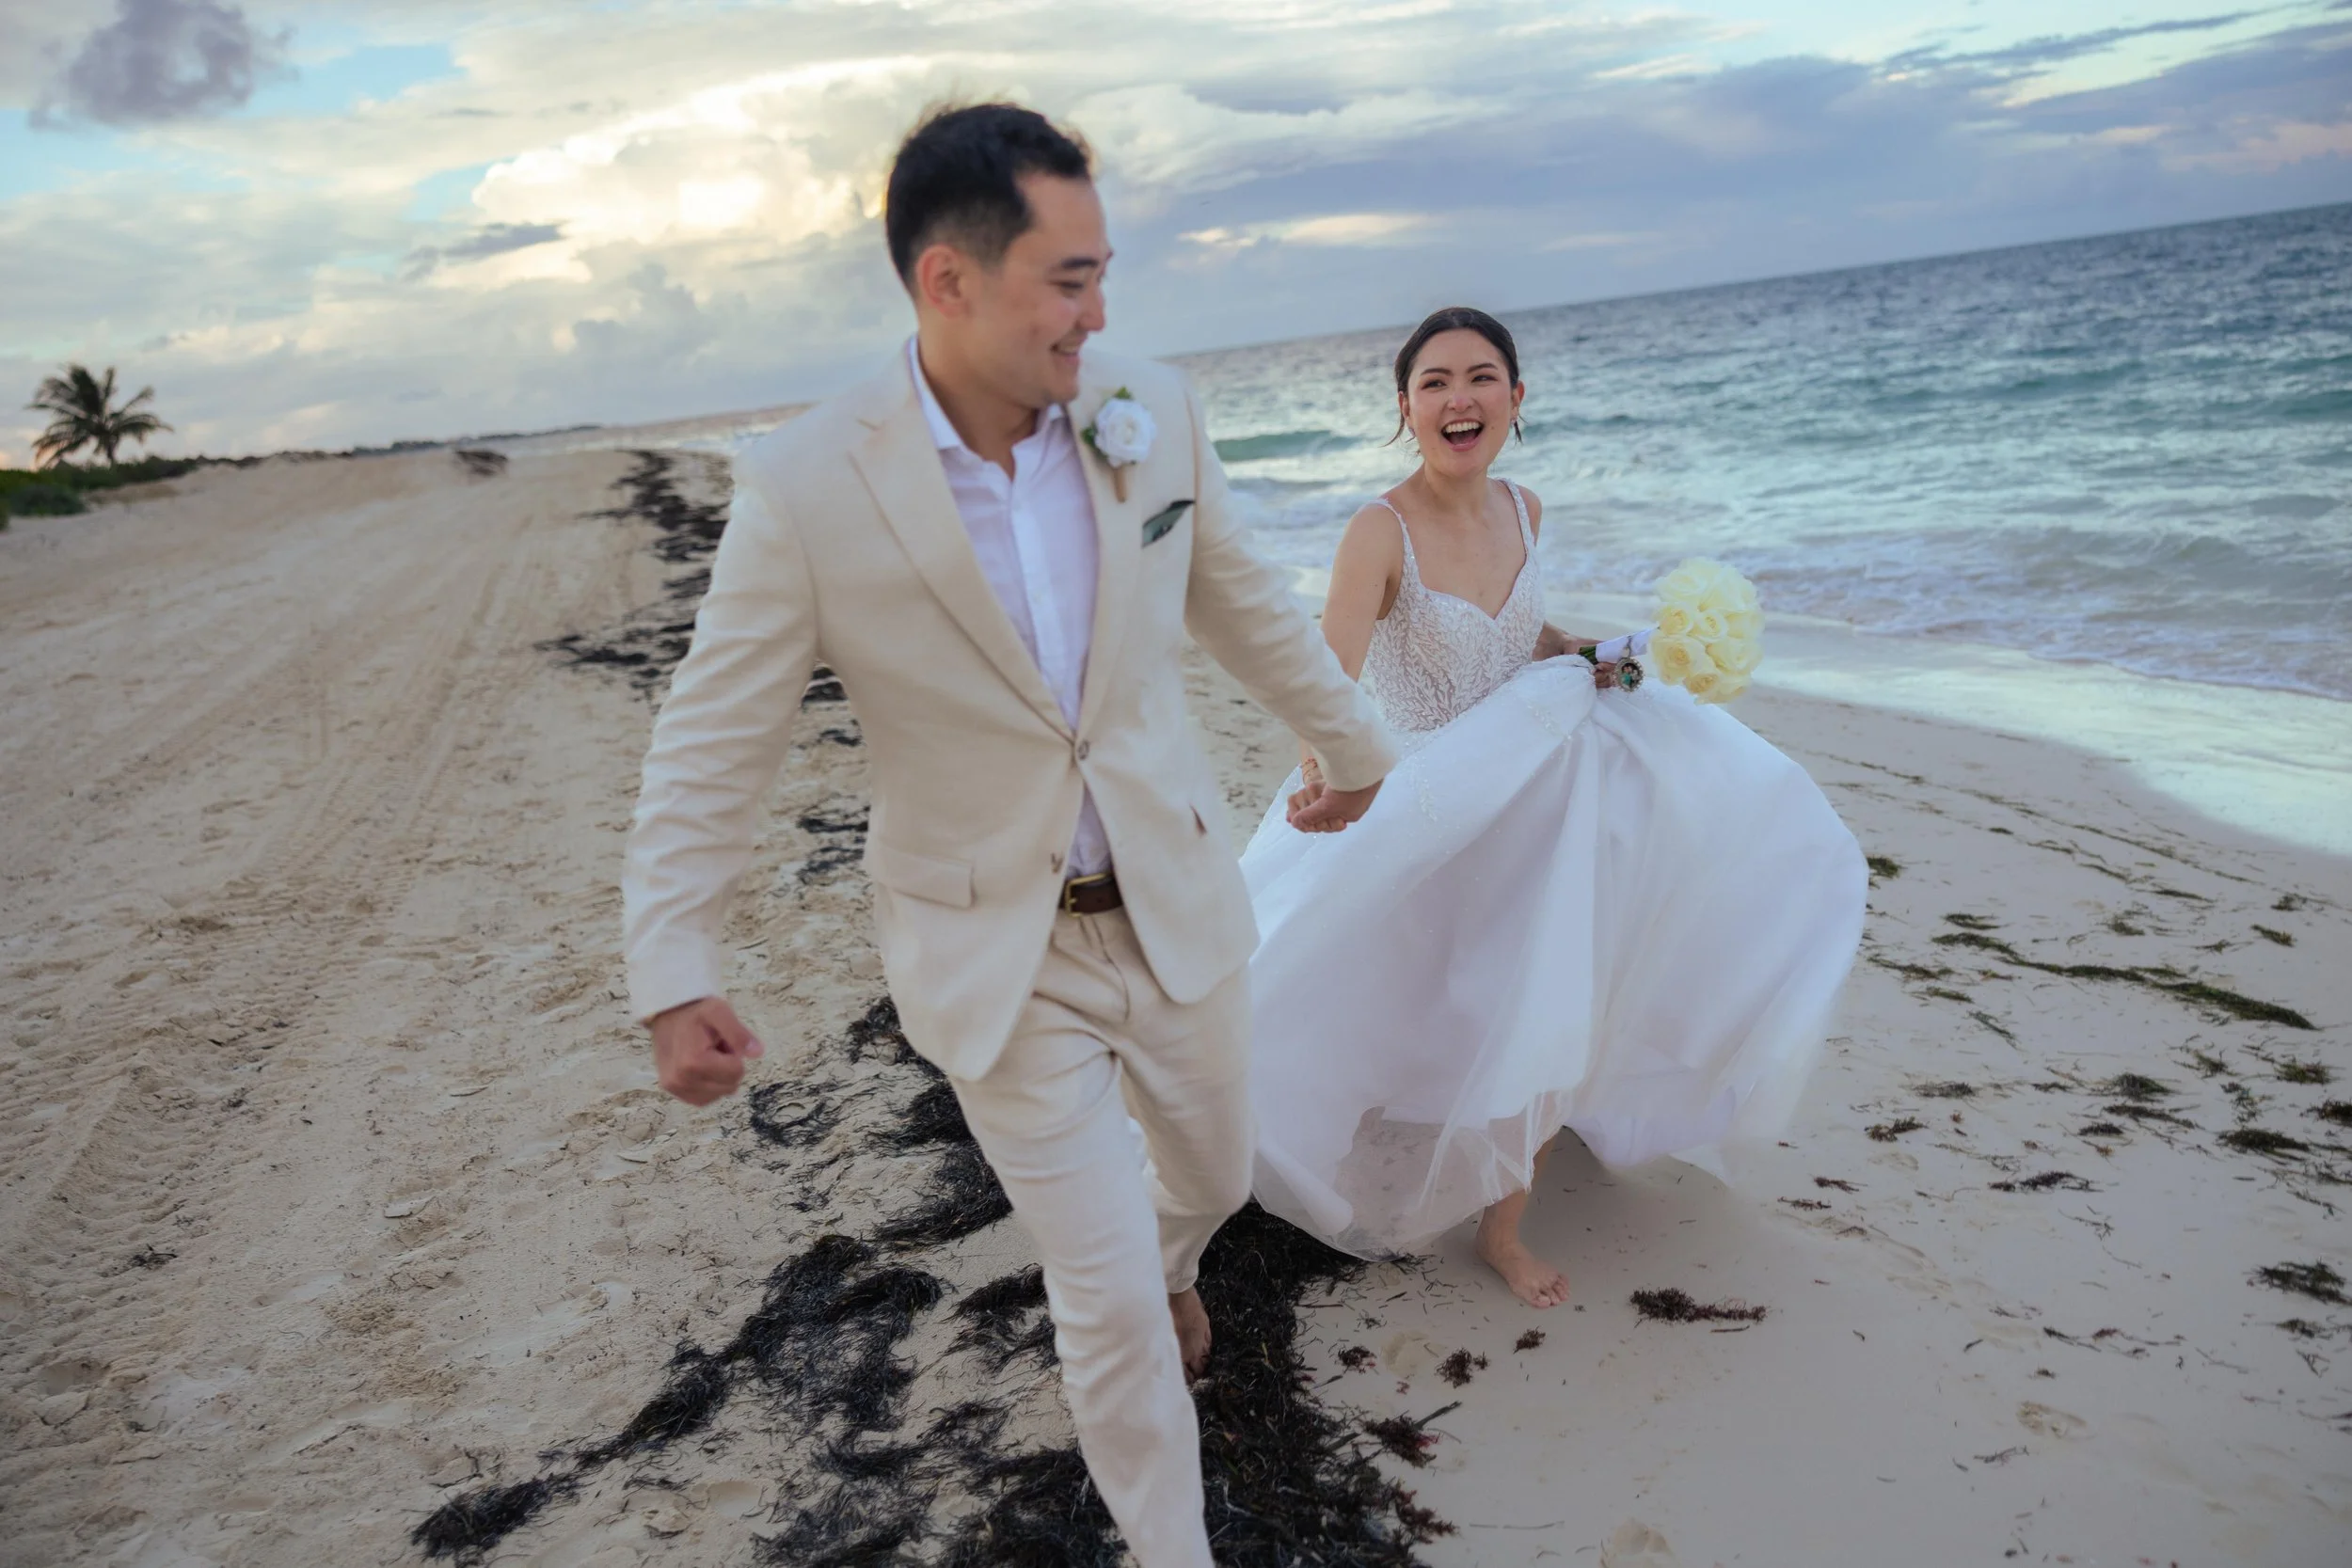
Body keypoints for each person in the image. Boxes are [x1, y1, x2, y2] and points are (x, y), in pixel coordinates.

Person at [619, 104, 1396, 1568]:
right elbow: (714, 734)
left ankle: (1178, 1256)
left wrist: (1357, 746)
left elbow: (1239, 595)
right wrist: (672, 961)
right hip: (996, 947)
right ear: (947, 281)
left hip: (1174, 901)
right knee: (1098, 1300)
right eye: (1070, 279)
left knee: (1217, 1177)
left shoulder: (1147, 408)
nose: (1100, 314)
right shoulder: (806, 485)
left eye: (1103, 276)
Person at [1247, 307, 1867, 1307]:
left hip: (1537, 794)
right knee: (1369, 990)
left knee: (1543, 983)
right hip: (1420, 791)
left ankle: (1503, 1227)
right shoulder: (1378, 530)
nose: (1461, 397)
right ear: (1406, 408)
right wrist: (1328, 776)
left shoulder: (1526, 508)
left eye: (1482, 376)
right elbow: (1326, 682)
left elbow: (1522, 638)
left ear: (1517, 398)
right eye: (1436, 381)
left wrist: (1597, 656)